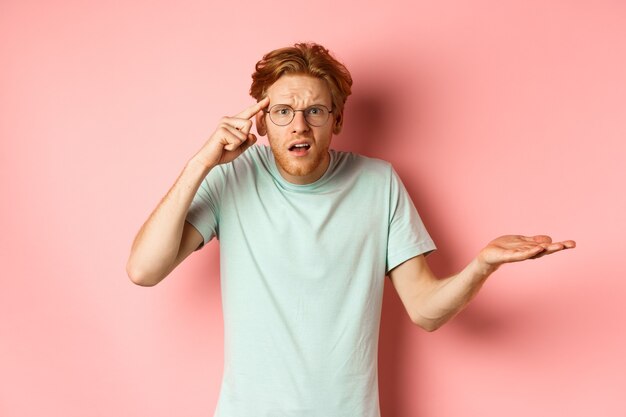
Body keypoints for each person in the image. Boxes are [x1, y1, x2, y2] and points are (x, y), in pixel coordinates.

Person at [126, 43, 575, 417]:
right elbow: (144, 270)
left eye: (315, 111)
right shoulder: (232, 177)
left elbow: (424, 310)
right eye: (282, 111)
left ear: (337, 120)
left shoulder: (378, 184)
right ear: (260, 121)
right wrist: (201, 162)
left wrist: (482, 265)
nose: (298, 125)